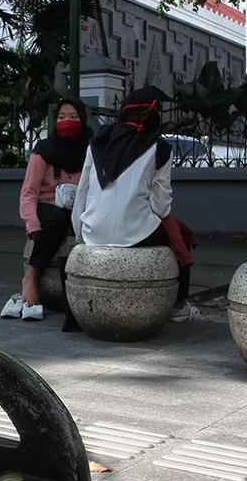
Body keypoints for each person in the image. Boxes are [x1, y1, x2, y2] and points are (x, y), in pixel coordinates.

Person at [71, 87, 199, 322]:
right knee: (180, 235)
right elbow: (161, 207)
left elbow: (82, 194)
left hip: (92, 232)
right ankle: (179, 306)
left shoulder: (97, 142)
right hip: (136, 233)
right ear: (152, 115)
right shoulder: (159, 148)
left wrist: (81, 236)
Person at [1, 97, 91, 321]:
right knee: (57, 221)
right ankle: (31, 277)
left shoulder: (92, 149)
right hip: (48, 205)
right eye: (61, 117)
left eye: (73, 117)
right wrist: (31, 221)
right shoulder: (44, 151)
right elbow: (29, 192)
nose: (66, 122)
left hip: (81, 207)